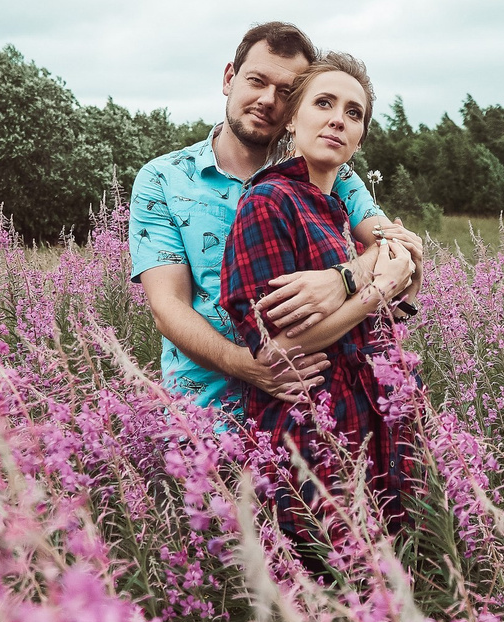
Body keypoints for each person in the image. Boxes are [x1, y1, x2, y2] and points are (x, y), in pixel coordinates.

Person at [129, 22, 424, 416]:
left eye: (285, 92)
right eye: (256, 81)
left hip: (306, 411)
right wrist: (250, 366)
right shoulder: (163, 178)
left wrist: (344, 279)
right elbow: (168, 306)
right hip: (205, 417)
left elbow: (394, 244)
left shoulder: (331, 173)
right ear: (229, 78)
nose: (268, 99)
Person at [219, 52, 422, 553]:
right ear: (292, 119)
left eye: (354, 113)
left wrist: (400, 288)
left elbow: (367, 321)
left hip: (370, 422)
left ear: (359, 138)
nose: (338, 118)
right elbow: (276, 347)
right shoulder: (268, 201)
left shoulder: (334, 211)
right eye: (324, 103)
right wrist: (376, 287)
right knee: (326, 588)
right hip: (309, 432)